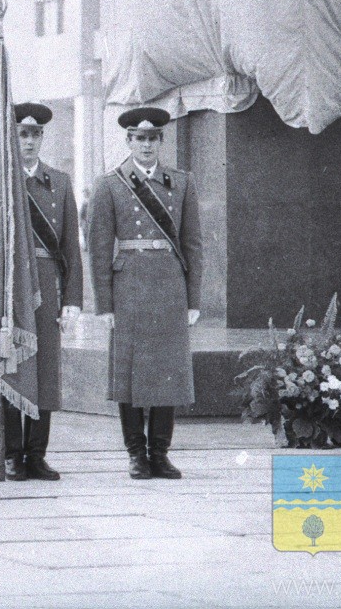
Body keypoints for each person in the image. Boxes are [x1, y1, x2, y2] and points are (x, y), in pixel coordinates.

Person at [0, 103, 83, 481]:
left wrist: (72, 300)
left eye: (35, 134)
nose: (29, 141)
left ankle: (36, 455)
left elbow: (70, 248)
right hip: (9, 289)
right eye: (21, 134)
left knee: (44, 371)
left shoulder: (59, 183)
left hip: (46, 288)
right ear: (10, 138)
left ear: (42, 137)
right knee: (11, 367)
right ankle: (12, 455)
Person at [89, 107, 203, 480]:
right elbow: (99, 249)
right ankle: (137, 454)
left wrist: (193, 299)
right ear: (129, 141)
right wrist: (104, 303)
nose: (146, 145)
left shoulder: (181, 183)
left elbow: (193, 244)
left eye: (153, 138)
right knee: (131, 373)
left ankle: (161, 453)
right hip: (130, 286)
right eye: (140, 138)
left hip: (169, 285)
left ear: (161, 141)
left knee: (168, 370)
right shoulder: (110, 184)